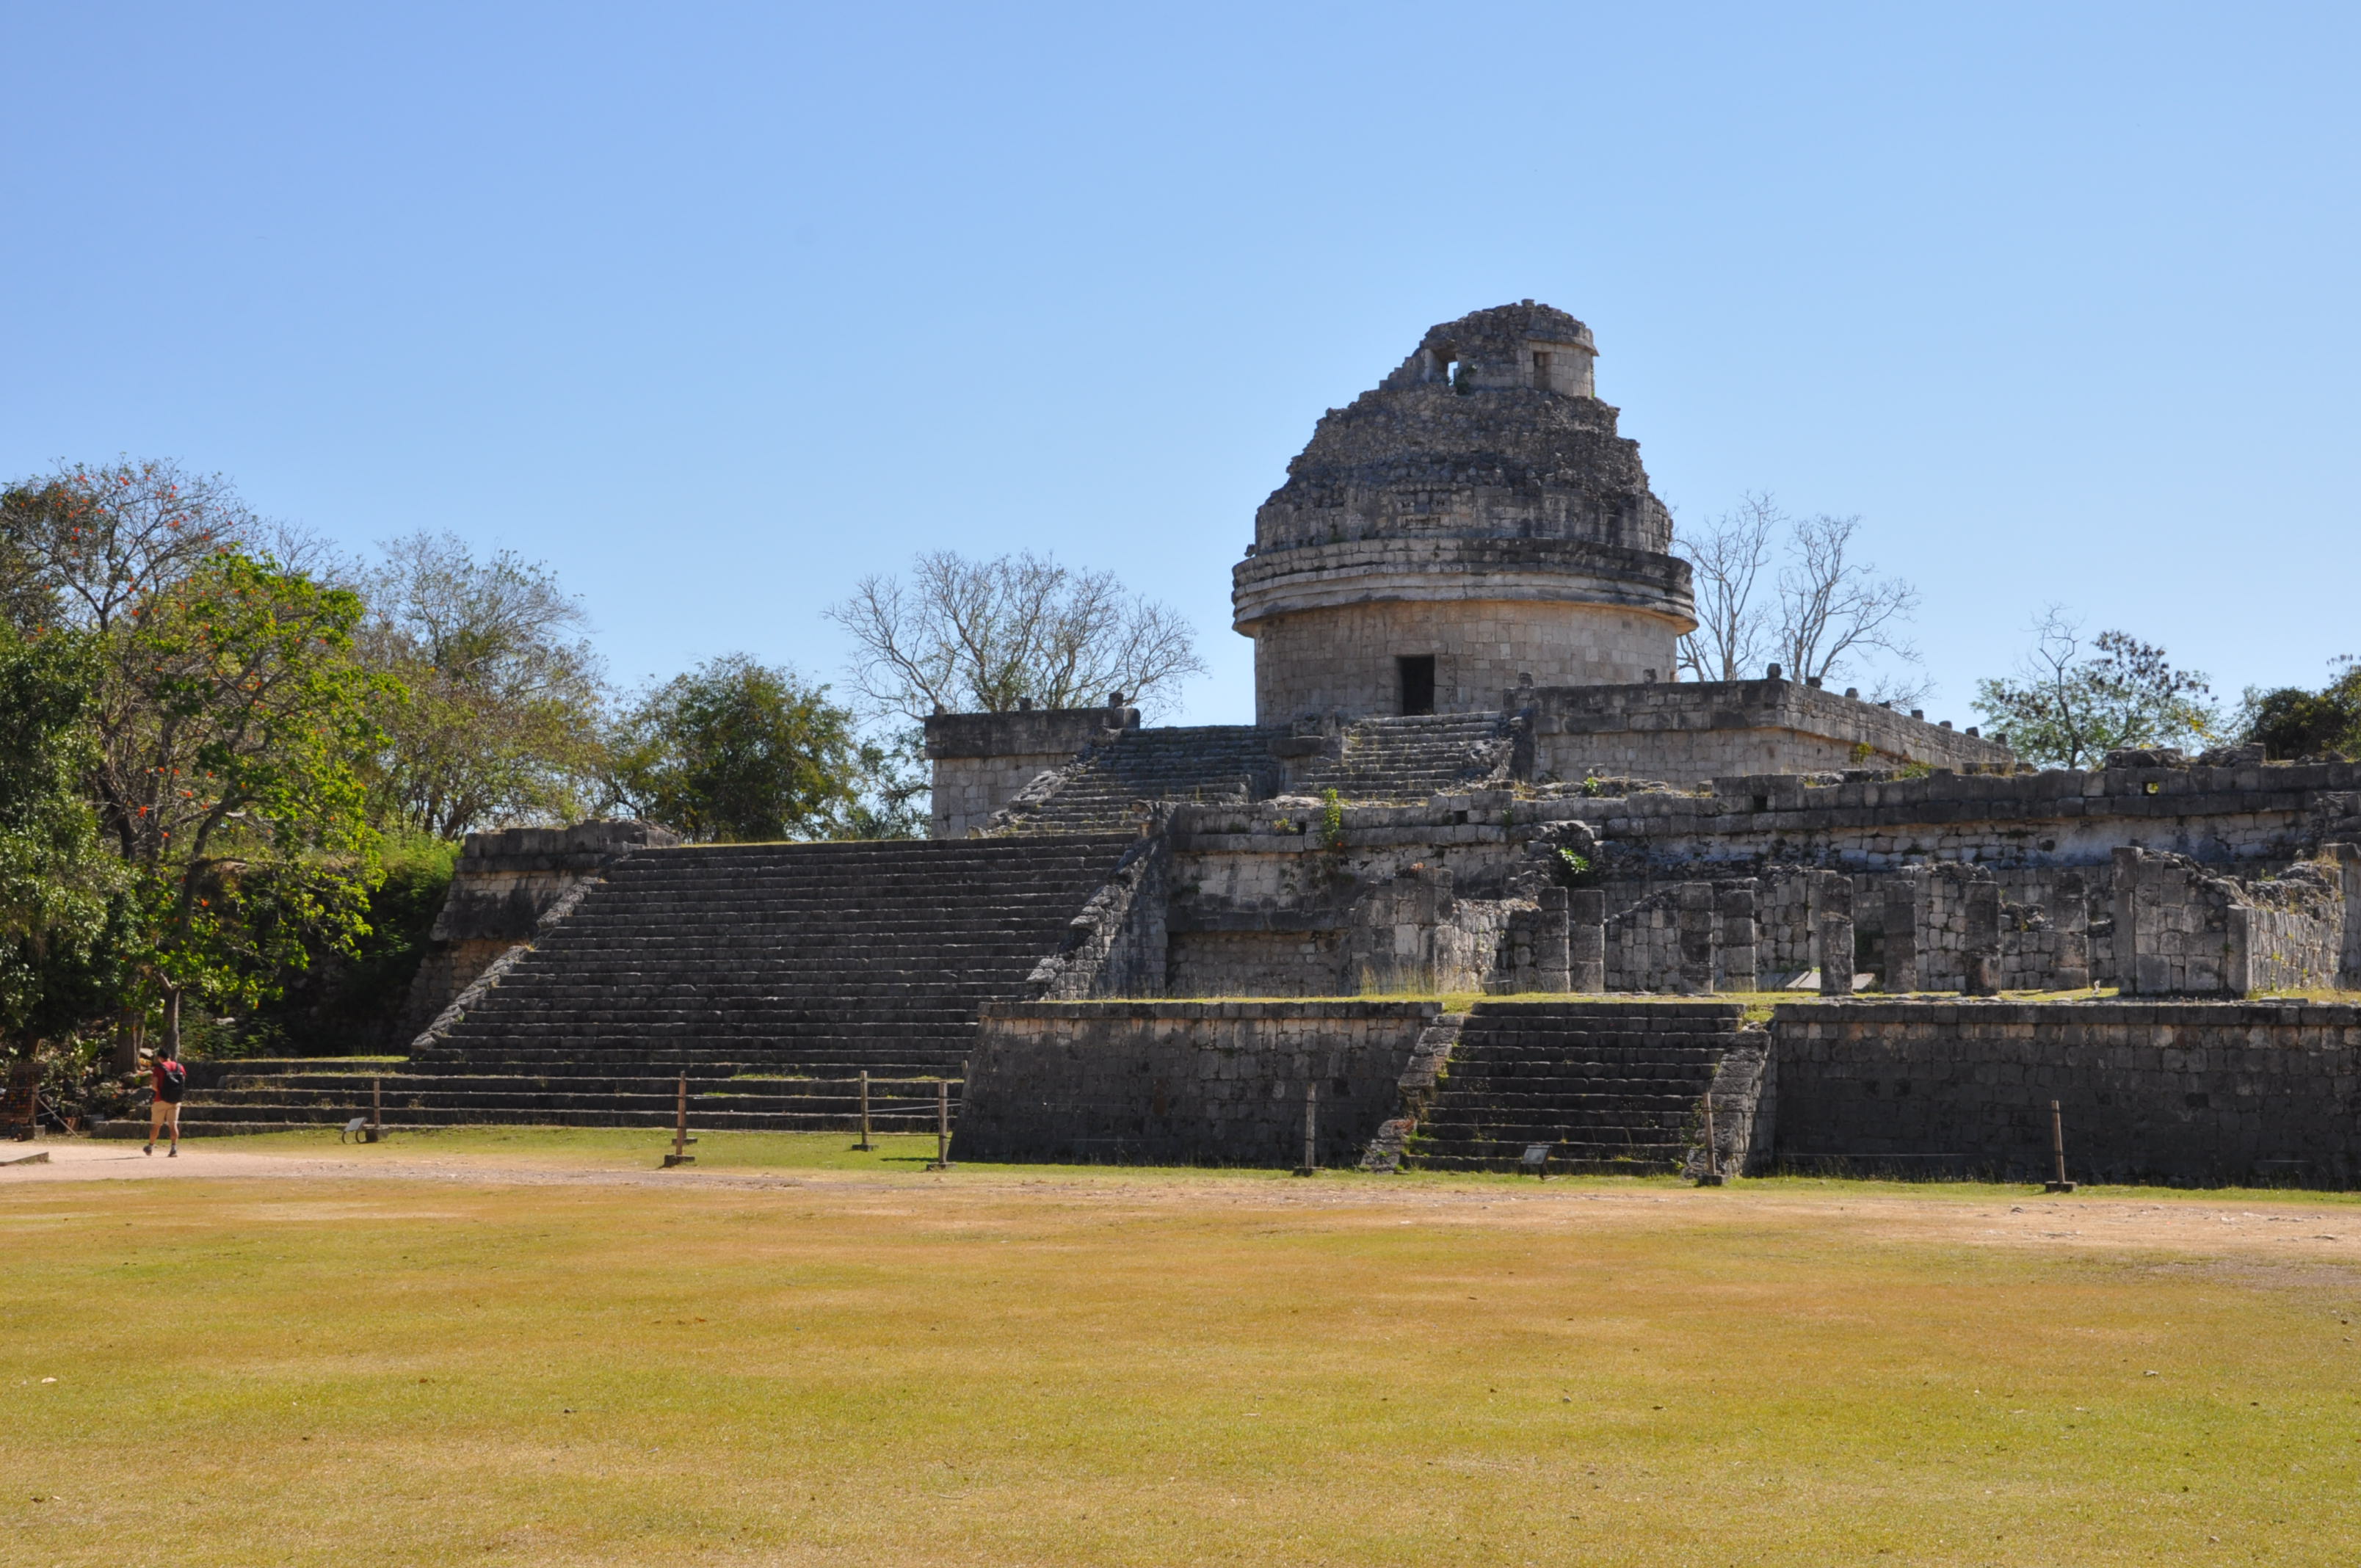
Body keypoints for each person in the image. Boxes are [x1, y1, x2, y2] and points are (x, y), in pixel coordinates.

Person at [145, 1041, 186, 1157]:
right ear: (170, 1057)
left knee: (156, 1125)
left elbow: (154, 1085)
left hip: (161, 1099)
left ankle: (150, 1147)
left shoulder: (159, 1068)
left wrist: (162, 1092)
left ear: (159, 1058)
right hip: (176, 1100)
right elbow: (182, 1083)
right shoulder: (180, 1066)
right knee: (173, 1125)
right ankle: (173, 1149)